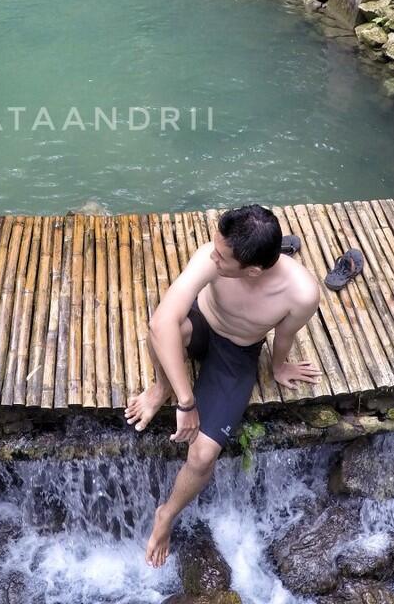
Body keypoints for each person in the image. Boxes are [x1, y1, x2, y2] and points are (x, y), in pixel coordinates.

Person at [124, 204, 323, 567]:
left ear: (252, 270)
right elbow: (161, 322)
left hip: (239, 353)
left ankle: (166, 515)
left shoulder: (301, 293)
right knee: (169, 332)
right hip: (202, 323)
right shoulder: (210, 257)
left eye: (221, 256)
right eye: (215, 248)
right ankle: (159, 389)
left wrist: (278, 366)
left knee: (202, 455)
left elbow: (285, 334)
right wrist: (185, 401)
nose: (211, 255)